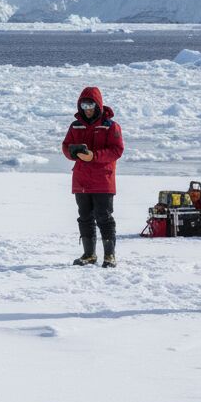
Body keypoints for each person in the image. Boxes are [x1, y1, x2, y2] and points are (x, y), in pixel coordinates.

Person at [62, 86, 124, 267]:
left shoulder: (111, 126)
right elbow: (66, 146)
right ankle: (89, 254)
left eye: (90, 104)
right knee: (85, 217)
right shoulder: (75, 126)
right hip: (81, 179)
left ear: (98, 105)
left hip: (103, 180)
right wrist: (73, 153)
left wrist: (94, 156)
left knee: (103, 217)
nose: (87, 108)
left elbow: (117, 150)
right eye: (83, 105)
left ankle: (109, 256)